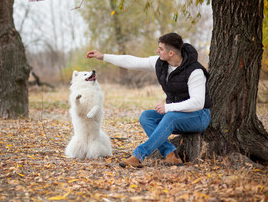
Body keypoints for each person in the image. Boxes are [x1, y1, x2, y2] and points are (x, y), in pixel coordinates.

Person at [86, 32, 212, 168]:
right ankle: (171, 154)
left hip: (199, 117)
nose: (158, 51)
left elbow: (198, 103)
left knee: (171, 117)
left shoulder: (195, 71)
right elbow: (132, 62)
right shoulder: (161, 63)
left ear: (171, 53)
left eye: (161, 49)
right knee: (146, 117)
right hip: (175, 114)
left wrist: (168, 107)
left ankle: (139, 155)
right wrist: (103, 56)